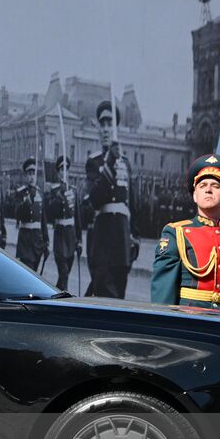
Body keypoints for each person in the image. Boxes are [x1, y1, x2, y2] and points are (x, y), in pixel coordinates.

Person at [150, 154, 220, 314]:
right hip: (190, 325)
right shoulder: (176, 232)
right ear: (194, 196)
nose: (208, 189)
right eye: (202, 185)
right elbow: (163, 297)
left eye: (215, 185)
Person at [85, 100, 135, 298]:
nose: (106, 129)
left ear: (116, 129)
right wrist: (109, 164)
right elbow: (94, 200)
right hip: (102, 240)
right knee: (105, 297)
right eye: (102, 124)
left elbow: (133, 202)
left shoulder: (126, 163)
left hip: (122, 241)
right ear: (98, 129)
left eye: (110, 125)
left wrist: (136, 237)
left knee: (119, 300)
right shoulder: (94, 163)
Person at [44, 156, 80, 292]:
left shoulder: (73, 190)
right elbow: (50, 213)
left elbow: (78, 217)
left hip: (71, 237)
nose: (64, 172)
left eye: (66, 169)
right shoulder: (53, 192)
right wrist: (59, 197)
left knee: (64, 276)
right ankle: (65, 301)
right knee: (64, 272)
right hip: (59, 237)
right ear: (58, 173)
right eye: (61, 170)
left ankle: (55, 294)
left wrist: (80, 240)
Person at [8, 157, 47, 271]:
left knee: (34, 273)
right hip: (25, 241)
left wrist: (46, 240)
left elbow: (43, 219)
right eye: (29, 173)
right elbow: (17, 213)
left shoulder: (40, 192)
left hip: (38, 242)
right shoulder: (20, 193)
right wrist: (26, 203)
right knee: (27, 272)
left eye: (33, 173)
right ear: (26, 175)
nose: (31, 176)